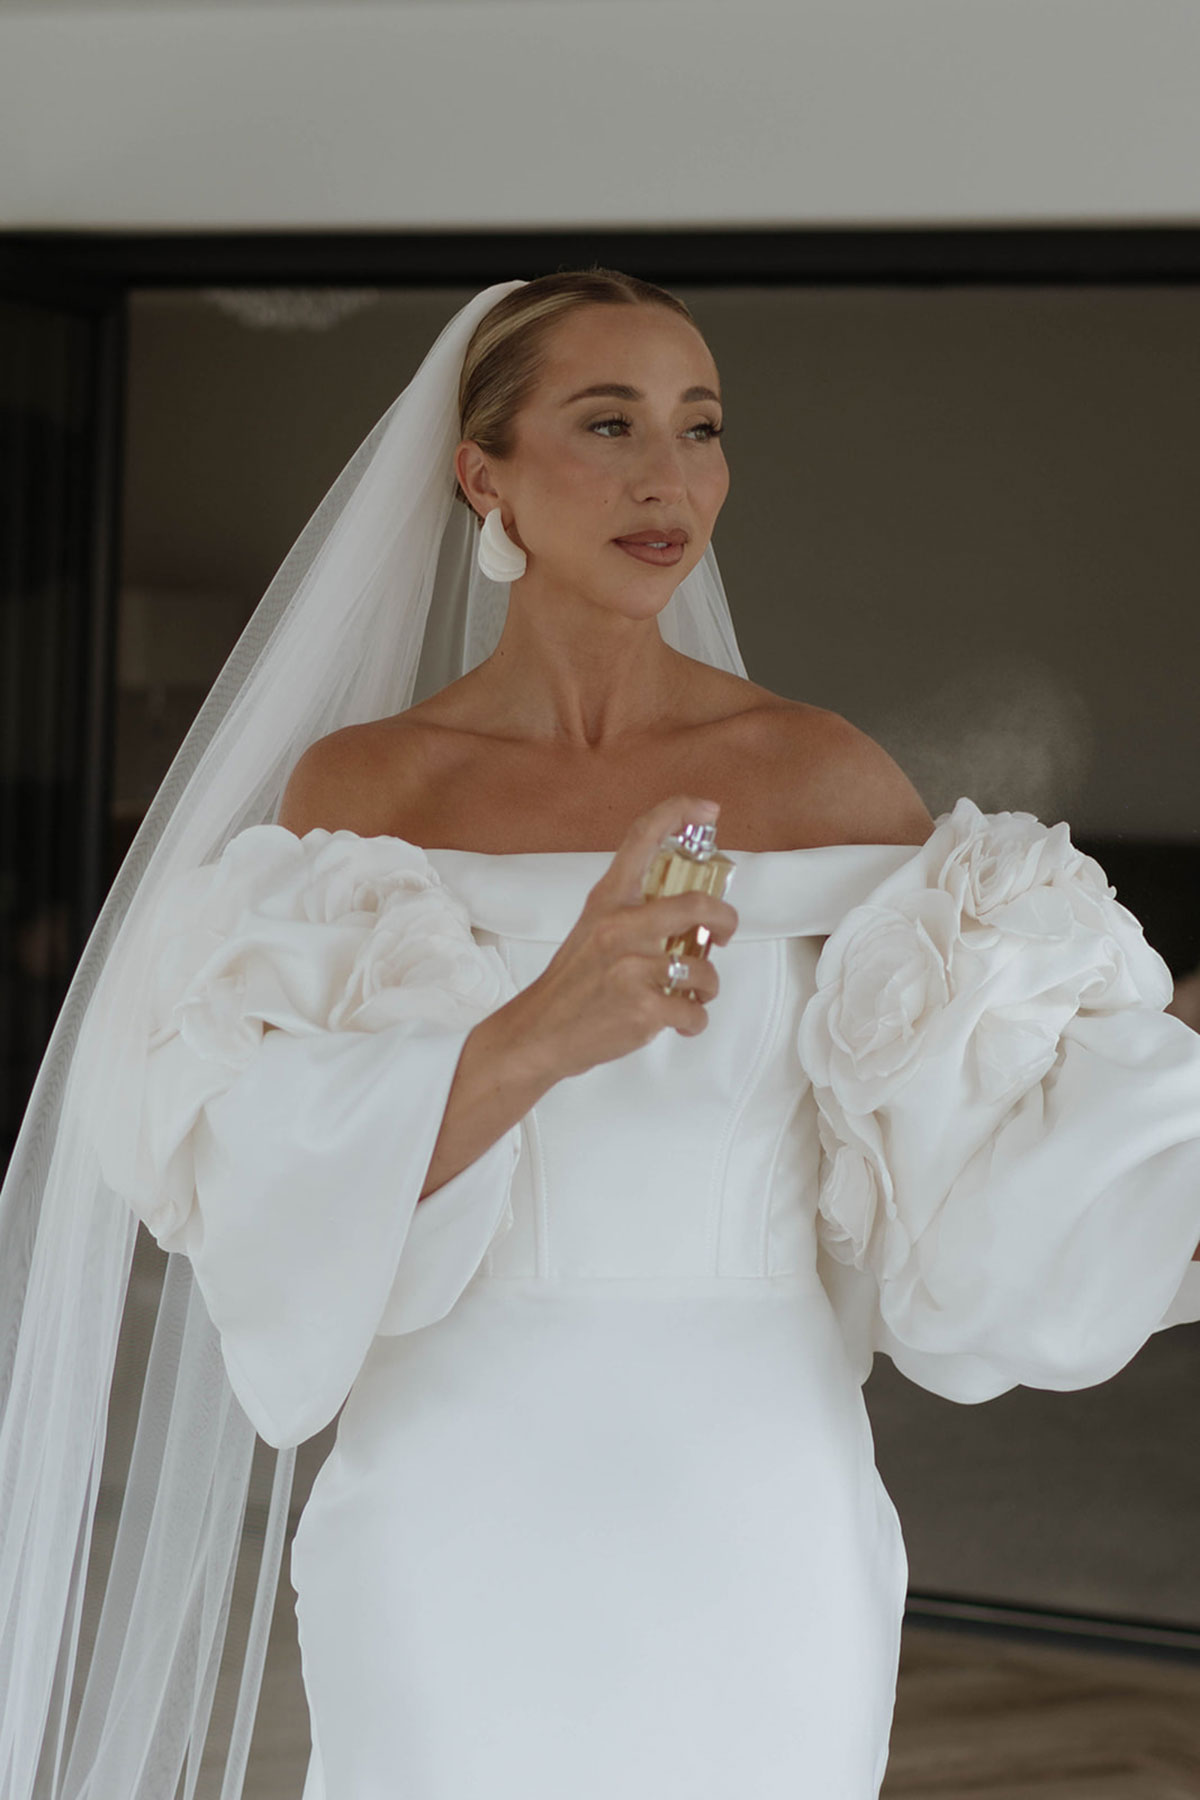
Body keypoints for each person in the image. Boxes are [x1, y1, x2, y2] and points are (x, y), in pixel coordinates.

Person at [3, 270, 1199, 1800]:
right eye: (608, 421)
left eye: (701, 428)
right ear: (481, 472)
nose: (667, 475)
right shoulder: (366, 800)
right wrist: (546, 1026)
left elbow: (994, 1138)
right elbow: (265, 1194)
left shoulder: (826, 783)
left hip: (760, 1502)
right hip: (454, 1492)